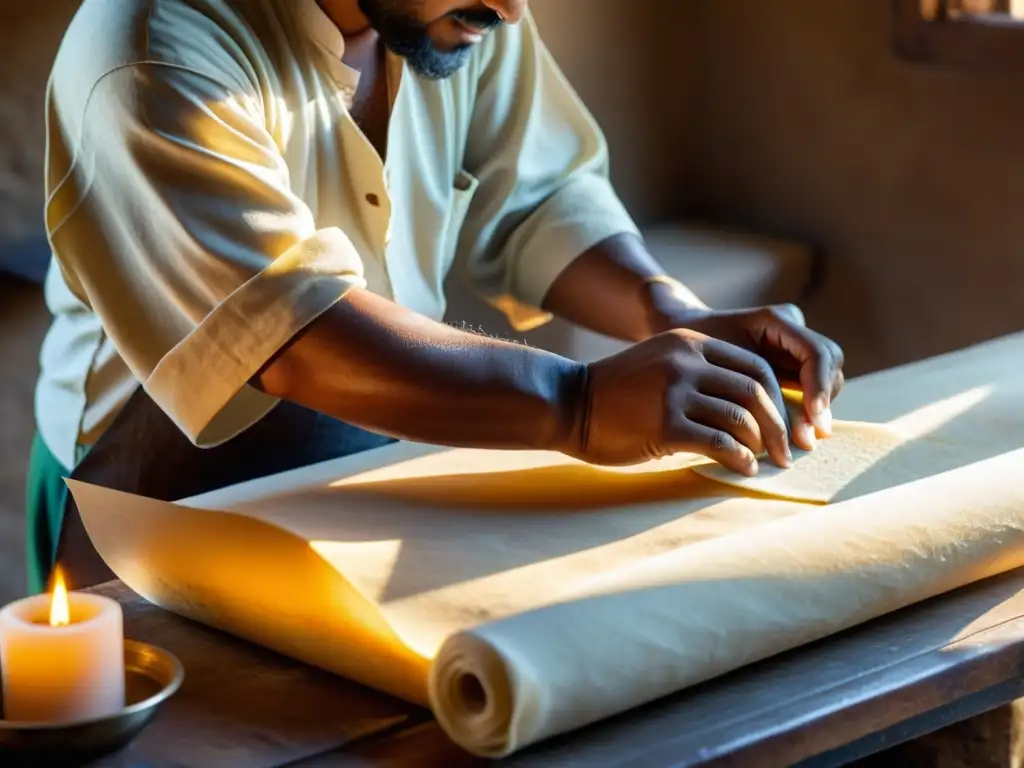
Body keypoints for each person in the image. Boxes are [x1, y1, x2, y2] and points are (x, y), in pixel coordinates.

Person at [28, 0, 844, 594]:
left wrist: (671, 311)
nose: (515, 12)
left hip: (365, 452)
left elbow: (537, 196)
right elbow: (288, 332)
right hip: (136, 499)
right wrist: (581, 402)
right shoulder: (150, 47)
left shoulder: (456, 13)